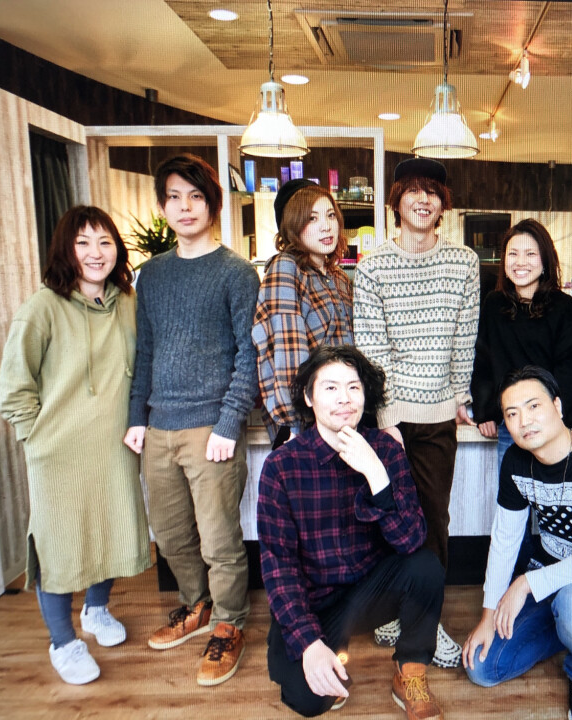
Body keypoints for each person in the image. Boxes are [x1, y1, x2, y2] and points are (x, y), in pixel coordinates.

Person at [0, 206, 151, 685]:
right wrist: (39, 438)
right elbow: (13, 391)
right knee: (60, 545)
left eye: (105, 242)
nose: (95, 253)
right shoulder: (41, 308)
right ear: (65, 249)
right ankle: (63, 642)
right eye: (83, 242)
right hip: (58, 455)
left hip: (115, 448)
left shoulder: (128, 302)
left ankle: (96, 610)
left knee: (110, 530)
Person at [123, 153, 260, 686]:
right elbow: (146, 350)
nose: (184, 207)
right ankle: (195, 604)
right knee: (172, 535)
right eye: (174, 197)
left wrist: (229, 423)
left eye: (195, 196)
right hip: (159, 427)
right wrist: (137, 416)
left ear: (212, 205)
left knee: (219, 540)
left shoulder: (236, 272)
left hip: (211, 428)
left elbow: (249, 355)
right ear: (163, 207)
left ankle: (229, 623)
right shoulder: (152, 275)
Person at [258, 345, 446, 720]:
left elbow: (411, 540)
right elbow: (278, 567)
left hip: (369, 591)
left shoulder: (386, 451)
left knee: (426, 566)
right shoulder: (282, 466)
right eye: (330, 388)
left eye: (354, 387)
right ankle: (325, 647)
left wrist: (376, 475)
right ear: (309, 397)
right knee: (307, 700)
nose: (344, 399)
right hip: (316, 601)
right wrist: (309, 643)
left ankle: (410, 670)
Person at [353, 157, 480, 667]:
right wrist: (385, 419)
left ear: (443, 204)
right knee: (388, 520)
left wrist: (460, 396)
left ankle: (425, 623)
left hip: (438, 417)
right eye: (413, 191)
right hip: (389, 420)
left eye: (432, 192)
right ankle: (394, 611)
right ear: (397, 200)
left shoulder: (464, 262)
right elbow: (371, 349)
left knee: (432, 522)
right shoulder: (372, 267)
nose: (423, 200)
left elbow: (465, 336)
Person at [462, 366, 572, 720]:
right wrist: (488, 615)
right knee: (482, 667)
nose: (524, 421)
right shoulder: (516, 461)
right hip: (550, 572)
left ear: (557, 406)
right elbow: (505, 541)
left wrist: (525, 584)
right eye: (512, 414)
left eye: (533, 406)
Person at [471, 217, 572, 467]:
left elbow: (569, 371)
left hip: (556, 425)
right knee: (512, 491)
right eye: (513, 254)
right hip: (513, 426)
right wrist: (485, 412)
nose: (520, 262)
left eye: (530, 254)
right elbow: (483, 362)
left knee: (556, 492)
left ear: (545, 260)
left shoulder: (564, 307)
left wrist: (554, 416)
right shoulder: (494, 304)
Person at [252, 179, 353, 448]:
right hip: (306, 425)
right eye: (312, 218)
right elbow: (289, 352)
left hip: (342, 417)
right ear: (293, 226)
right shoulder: (286, 268)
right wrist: (295, 425)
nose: (326, 226)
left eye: (330, 215)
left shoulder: (339, 277)